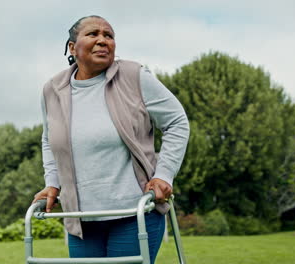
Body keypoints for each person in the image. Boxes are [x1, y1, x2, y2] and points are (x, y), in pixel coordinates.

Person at [32, 15, 189, 263]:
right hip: (82, 220)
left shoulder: (134, 76)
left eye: (109, 36)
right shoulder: (53, 89)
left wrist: (164, 175)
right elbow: (49, 140)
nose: (102, 40)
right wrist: (53, 183)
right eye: (93, 34)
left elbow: (177, 121)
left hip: (134, 213)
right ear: (72, 47)